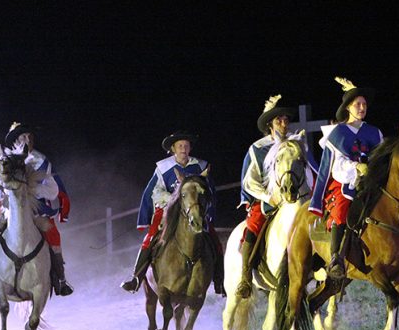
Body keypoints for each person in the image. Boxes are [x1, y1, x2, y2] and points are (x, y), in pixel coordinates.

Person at [0, 122, 74, 296]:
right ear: (15, 141)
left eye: (29, 137)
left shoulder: (40, 160)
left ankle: (60, 279)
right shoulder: (3, 162)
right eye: (23, 137)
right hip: (9, 210)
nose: (27, 140)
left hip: (35, 211)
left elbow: (53, 190)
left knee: (53, 234)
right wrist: (6, 190)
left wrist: (32, 189)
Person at [121, 131, 225, 295]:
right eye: (180, 146)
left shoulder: (200, 166)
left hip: (193, 209)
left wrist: (204, 206)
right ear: (173, 149)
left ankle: (219, 280)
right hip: (168, 209)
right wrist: (174, 199)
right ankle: (136, 278)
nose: (183, 149)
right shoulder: (163, 168)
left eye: (186, 146)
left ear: (190, 148)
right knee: (151, 236)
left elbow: (209, 190)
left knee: (214, 239)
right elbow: (155, 191)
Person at [309, 77, 383, 288]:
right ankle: (335, 258)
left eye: (364, 104)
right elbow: (336, 166)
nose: (362, 107)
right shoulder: (338, 133)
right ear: (348, 107)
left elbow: (381, 158)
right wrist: (356, 167)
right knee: (341, 209)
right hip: (346, 182)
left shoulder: (374, 132)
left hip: (371, 182)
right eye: (357, 104)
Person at [236, 94, 300, 299]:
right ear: (270, 125)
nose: (284, 124)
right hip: (268, 200)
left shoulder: (295, 143)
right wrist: (267, 196)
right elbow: (250, 181)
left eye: (286, 120)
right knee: (253, 225)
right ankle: (245, 278)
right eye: (279, 120)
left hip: (294, 197)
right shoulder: (257, 148)